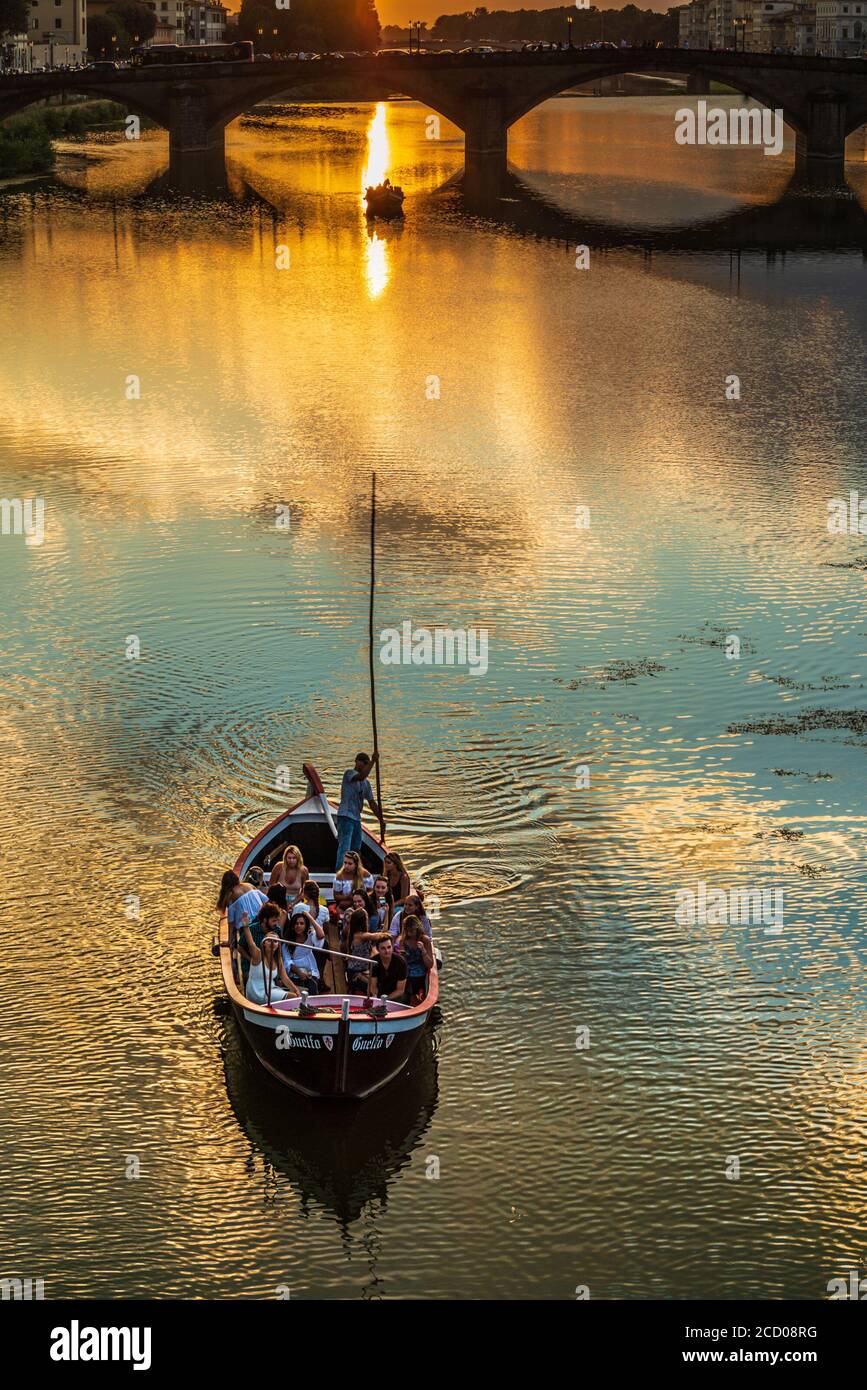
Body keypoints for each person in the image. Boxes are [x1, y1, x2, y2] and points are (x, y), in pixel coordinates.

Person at [334, 752, 383, 871]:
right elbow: (361, 776)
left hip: (356, 819)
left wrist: (381, 819)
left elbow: (372, 803)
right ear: (357, 762)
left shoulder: (366, 783)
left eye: (367, 764)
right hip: (345, 816)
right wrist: (373, 761)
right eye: (364, 763)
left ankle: (354, 872)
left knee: (356, 848)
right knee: (344, 847)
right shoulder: (349, 774)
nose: (366, 766)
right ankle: (340, 873)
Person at [244, 925, 298, 1006]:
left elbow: (285, 978)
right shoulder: (258, 955)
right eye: (269, 940)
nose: (272, 943)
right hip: (256, 992)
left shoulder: (278, 959)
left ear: (278, 945)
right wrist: (245, 927)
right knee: (292, 997)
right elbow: (251, 944)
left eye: (275, 941)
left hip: (271, 989)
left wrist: (296, 990)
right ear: (264, 943)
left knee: (296, 995)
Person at [217, 871, 268, 951]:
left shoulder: (230, 895)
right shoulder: (249, 885)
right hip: (261, 920)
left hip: (247, 926)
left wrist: (229, 941)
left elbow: (231, 922)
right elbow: (265, 900)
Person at [344, 908, 388, 995]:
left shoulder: (353, 933)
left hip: (357, 969)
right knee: (378, 988)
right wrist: (387, 913)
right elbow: (384, 934)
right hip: (356, 972)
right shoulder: (361, 936)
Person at [282, 908, 324, 993]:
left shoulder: (310, 935)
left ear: (306, 926)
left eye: (302, 923)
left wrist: (309, 917)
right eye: (296, 924)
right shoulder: (287, 942)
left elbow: (321, 935)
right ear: (293, 927)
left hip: (310, 970)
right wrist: (299, 973)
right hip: (294, 972)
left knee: (312, 990)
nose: (299, 926)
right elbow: (287, 961)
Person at [396, 914, 433, 1004]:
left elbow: (430, 964)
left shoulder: (425, 940)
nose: (409, 933)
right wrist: (402, 955)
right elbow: (403, 962)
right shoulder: (403, 941)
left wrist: (423, 950)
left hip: (420, 971)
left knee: (415, 978)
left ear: (417, 929)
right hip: (407, 971)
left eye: (411, 931)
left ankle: (418, 997)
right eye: (407, 931)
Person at [368, 936, 408, 1002]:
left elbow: (400, 990)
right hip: (383, 990)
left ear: (392, 947)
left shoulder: (401, 962)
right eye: (383, 948)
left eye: (389, 947)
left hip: (399, 993)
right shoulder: (373, 961)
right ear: (378, 949)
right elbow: (373, 986)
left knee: (401, 999)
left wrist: (385, 999)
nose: (387, 951)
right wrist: (375, 996)